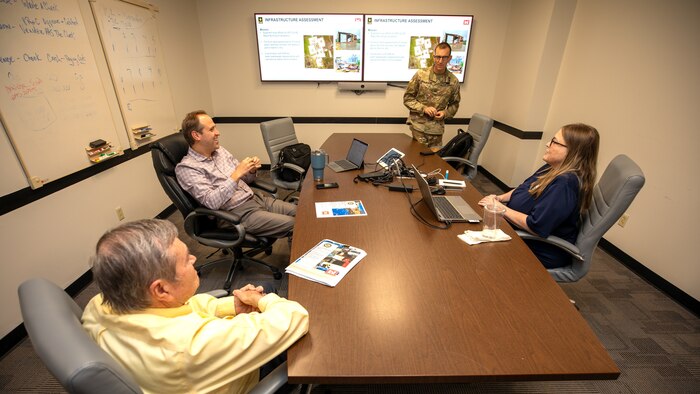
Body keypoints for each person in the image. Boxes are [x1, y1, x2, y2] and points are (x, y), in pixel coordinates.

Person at [82, 219, 309, 393]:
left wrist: (233, 306)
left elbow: (185, 307)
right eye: (186, 259)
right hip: (238, 379)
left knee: (267, 287)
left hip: (191, 372)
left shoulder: (99, 305)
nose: (194, 260)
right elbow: (296, 317)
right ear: (161, 289)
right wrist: (260, 301)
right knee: (308, 341)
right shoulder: (190, 346)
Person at [479, 123, 600, 269]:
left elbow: (536, 226)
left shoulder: (565, 184)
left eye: (555, 142)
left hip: (539, 248)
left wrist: (501, 209)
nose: (548, 144)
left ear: (573, 152)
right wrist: (500, 198)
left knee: (475, 254)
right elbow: (524, 189)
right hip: (517, 232)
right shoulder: (552, 167)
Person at [175, 110, 295, 238]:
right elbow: (211, 202)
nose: (217, 132)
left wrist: (251, 170)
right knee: (296, 224)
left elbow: (246, 180)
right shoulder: (187, 168)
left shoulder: (220, 151)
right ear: (196, 135)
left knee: (306, 214)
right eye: (211, 129)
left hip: (256, 199)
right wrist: (236, 174)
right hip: (236, 214)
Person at [403, 42, 461, 150]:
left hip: (436, 130)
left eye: (444, 57)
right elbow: (408, 98)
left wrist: (445, 113)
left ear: (449, 58)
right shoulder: (420, 75)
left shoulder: (453, 81)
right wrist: (424, 108)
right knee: (416, 160)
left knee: (433, 162)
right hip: (418, 127)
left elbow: (455, 104)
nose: (440, 61)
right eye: (438, 57)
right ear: (433, 57)